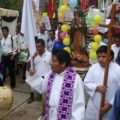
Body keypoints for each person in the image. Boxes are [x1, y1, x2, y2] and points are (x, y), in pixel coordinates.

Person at [26, 49, 85, 120]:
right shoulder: (51, 74)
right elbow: (42, 87)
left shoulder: (75, 79)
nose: (50, 63)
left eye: (54, 61)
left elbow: (78, 107)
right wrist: (34, 76)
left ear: (63, 64)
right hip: (50, 115)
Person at [84, 45, 120, 120]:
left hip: (110, 107)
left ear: (110, 57)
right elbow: (86, 83)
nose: (100, 59)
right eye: (99, 56)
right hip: (93, 106)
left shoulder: (117, 69)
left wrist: (110, 104)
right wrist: (96, 87)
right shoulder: (93, 68)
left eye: (103, 56)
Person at [26, 38, 51, 104]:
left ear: (43, 46)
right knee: (37, 99)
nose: (38, 48)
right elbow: (28, 65)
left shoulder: (50, 55)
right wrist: (33, 57)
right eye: (36, 46)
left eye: (39, 46)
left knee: (45, 100)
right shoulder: (34, 55)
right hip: (37, 80)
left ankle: (44, 113)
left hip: (46, 80)